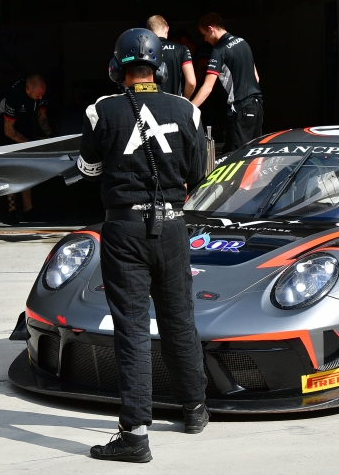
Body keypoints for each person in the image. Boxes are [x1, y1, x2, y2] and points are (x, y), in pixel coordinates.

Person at [78, 28, 209, 463]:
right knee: (178, 319)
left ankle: (134, 435)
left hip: (123, 231)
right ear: (159, 68)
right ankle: (194, 409)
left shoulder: (100, 111)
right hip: (172, 229)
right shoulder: (187, 110)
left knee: (132, 329)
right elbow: (199, 173)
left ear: (118, 68)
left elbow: (91, 170)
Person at [191, 12, 263, 153]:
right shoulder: (243, 42)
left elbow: (207, 87)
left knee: (235, 158)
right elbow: (256, 76)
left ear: (211, 29)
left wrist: (188, 108)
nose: (205, 39)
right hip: (257, 107)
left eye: (204, 34)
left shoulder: (219, 51)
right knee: (254, 154)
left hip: (240, 109)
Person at [0, 75, 52, 223]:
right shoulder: (14, 95)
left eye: (42, 96)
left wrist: (51, 137)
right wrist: (31, 144)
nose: (40, 99)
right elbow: (8, 131)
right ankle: (12, 211)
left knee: (27, 166)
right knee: (11, 168)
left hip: (24, 122)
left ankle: (28, 210)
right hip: (4, 124)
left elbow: (41, 116)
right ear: (27, 90)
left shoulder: (41, 94)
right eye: (37, 96)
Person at [146, 15, 196, 99]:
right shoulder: (181, 49)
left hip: (149, 104)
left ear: (148, 32)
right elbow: (191, 82)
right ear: (167, 28)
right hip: (174, 105)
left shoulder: (143, 51)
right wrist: (184, 100)